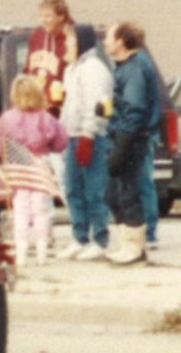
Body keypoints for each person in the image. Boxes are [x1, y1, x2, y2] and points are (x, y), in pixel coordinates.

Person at [104, 20, 167, 264]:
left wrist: (121, 145)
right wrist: (108, 111)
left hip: (132, 138)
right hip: (123, 134)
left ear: (121, 41)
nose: (106, 41)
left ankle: (135, 248)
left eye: (109, 36)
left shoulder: (135, 68)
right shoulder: (124, 66)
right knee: (114, 194)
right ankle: (124, 243)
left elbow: (135, 108)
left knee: (129, 192)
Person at [0, 76, 67, 264]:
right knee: (41, 210)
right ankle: (42, 252)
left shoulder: (6, 119)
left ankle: (21, 252)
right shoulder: (47, 118)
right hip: (40, 165)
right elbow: (61, 142)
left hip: (17, 167)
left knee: (20, 210)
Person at [60, 24, 116, 261]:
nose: (66, 46)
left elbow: (97, 105)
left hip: (89, 136)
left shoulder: (94, 69)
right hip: (71, 135)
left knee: (94, 189)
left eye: (70, 42)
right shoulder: (72, 70)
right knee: (73, 189)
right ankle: (79, 236)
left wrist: (89, 134)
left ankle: (100, 238)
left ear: (81, 43)